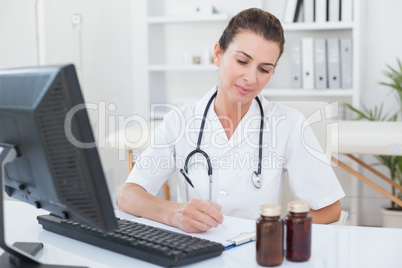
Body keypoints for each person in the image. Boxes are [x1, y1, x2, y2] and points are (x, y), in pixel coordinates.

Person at [118, 8, 345, 233]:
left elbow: (330, 208)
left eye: (264, 69)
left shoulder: (289, 124)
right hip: (193, 252)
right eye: (242, 61)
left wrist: (272, 232)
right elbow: (129, 196)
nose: (251, 78)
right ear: (218, 54)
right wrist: (174, 214)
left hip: (258, 255)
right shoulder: (179, 122)